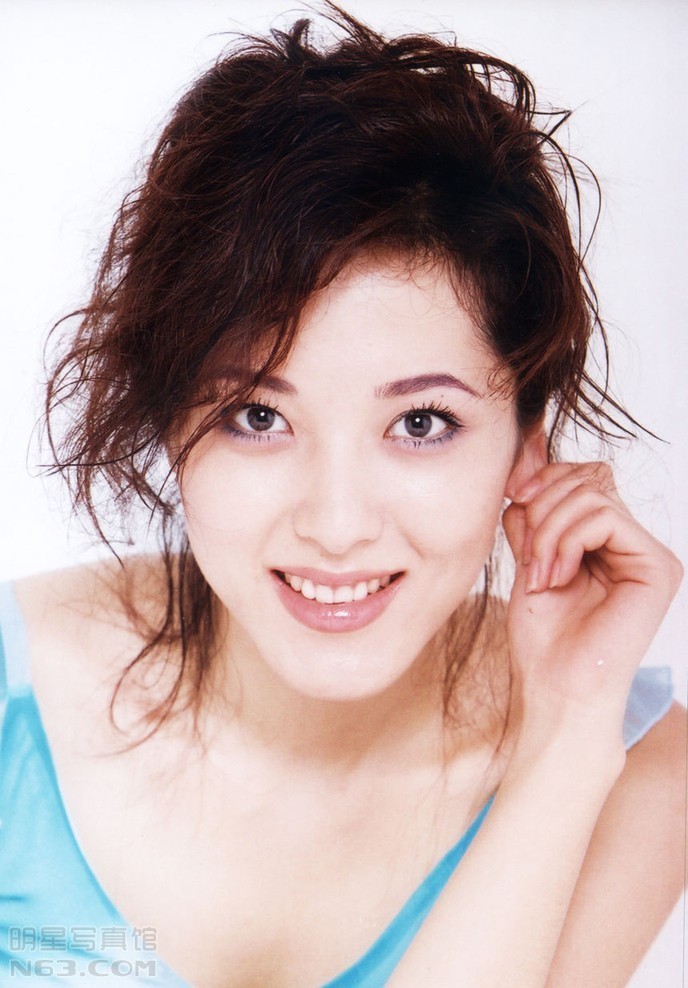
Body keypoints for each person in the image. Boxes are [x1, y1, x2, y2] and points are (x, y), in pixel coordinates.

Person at [0, 4, 684, 986]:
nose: (335, 524)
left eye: (421, 423)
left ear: (526, 445)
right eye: (257, 416)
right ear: (168, 417)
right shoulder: (14, 705)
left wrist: (567, 737)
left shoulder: (633, 770)